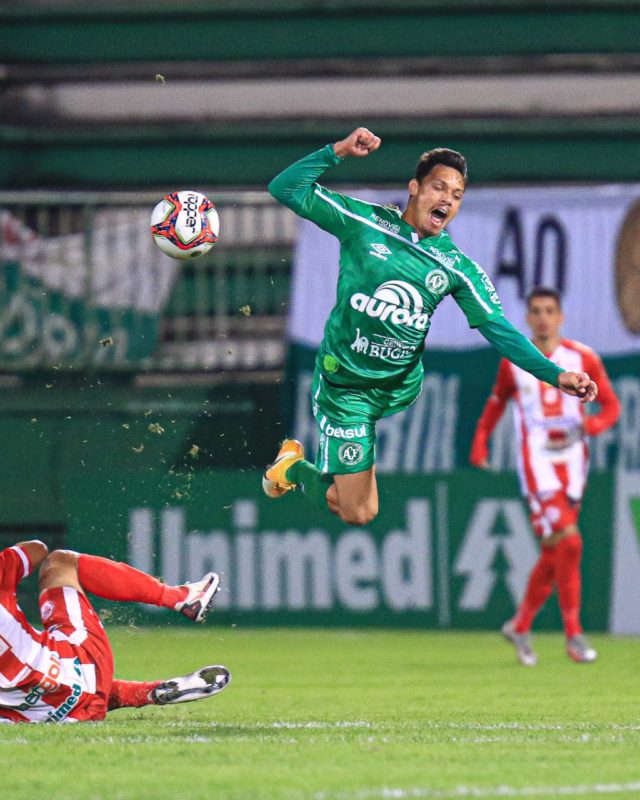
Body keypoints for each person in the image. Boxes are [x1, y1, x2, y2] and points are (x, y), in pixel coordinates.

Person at [262, 127, 598, 526]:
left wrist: (556, 375)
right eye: (439, 188)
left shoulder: (455, 265)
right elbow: (285, 189)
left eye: (456, 196)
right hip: (346, 389)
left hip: (401, 385)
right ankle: (293, 467)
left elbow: (501, 331)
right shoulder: (364, 223)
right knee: (359, 512)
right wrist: (338, 151)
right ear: (414, 188)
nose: (447, 200)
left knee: (357, 502)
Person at [469, 287, 620, 665]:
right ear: (527, 317)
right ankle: (574, 636)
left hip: (573, 465)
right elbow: (497, 402)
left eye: (549, 310)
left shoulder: (582, 357)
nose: (542, 318)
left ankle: (520, 625)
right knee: (569, 543)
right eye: (535, 310)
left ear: (561, 316)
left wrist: (591, 427)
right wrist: (481, 441)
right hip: (536, 464)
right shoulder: (516, 360)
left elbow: (611, 406)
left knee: (557, 550)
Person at [0, 539, 230, 723]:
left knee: (33, 685)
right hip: (81, 667)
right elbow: (36, 549)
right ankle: (181, 598)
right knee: (61, 563)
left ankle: (148, 692)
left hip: (46, 713)